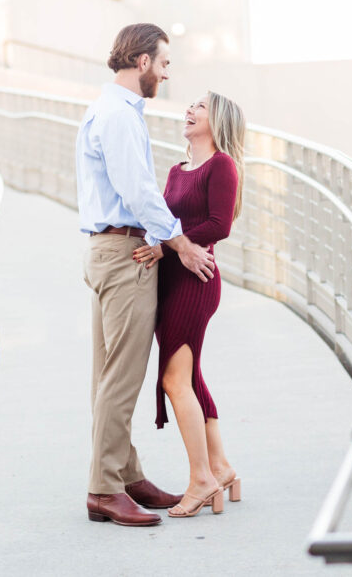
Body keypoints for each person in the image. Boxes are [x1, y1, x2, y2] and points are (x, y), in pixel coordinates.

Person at [76, 23, 216, 527]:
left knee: (107, 374)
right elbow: (137, 190)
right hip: (125, 253)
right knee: (122, 375)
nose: (165, 72)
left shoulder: (106, 108)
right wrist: (178, 243)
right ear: (141, 62)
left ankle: (125, 474)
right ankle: (104, 490)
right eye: (163, 62)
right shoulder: (119, 114)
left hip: (107, 250)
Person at [132, 91, 246, 518]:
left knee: (174, 380)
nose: (190, 110)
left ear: (217, 120)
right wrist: (162, 246)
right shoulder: (178, 171)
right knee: (190, 377)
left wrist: (166, 248)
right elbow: (163, 219)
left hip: (196, 280)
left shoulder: (222, 165)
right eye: (190, 106)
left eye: (199, 107)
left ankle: (201, 480)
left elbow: (220, 223)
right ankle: (220, 467)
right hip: (171, 280)